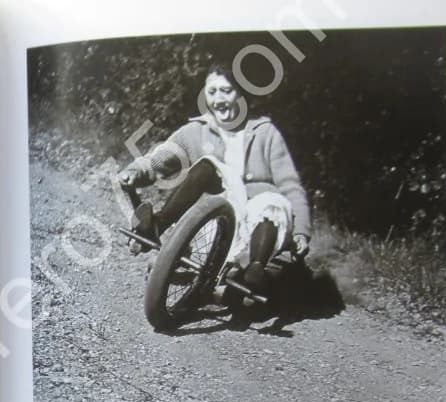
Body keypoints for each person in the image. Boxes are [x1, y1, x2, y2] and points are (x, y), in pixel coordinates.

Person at [118, 64, 311, 289]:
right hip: (218, 219)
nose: (218, 99)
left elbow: (290, 185)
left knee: (271, 202)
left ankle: (255, 269)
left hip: (260, 226)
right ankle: (158, 225)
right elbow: (160, 158)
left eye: (226, 91)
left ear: (241, 94)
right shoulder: (196, 132)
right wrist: (135, 171)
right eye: (212, 92)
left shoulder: (265, 133)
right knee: (207, 166)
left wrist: (301, 231)